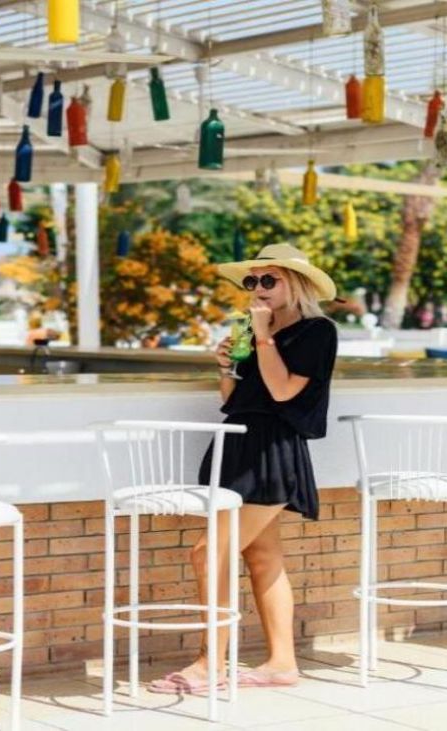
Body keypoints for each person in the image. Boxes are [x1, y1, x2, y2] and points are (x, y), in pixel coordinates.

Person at [149, 243, 338, 694]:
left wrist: (264, 337)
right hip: (238, 444)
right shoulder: (255, 332)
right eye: (252, 280)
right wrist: (227, 367)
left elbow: (283, 391)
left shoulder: (318, 331)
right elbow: (234, 401)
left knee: (208, 552)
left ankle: (209, 663)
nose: (257, 288)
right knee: (261, 556)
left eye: (269, 279)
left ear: (298, 283)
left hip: (273, 451)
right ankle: (281, 664)